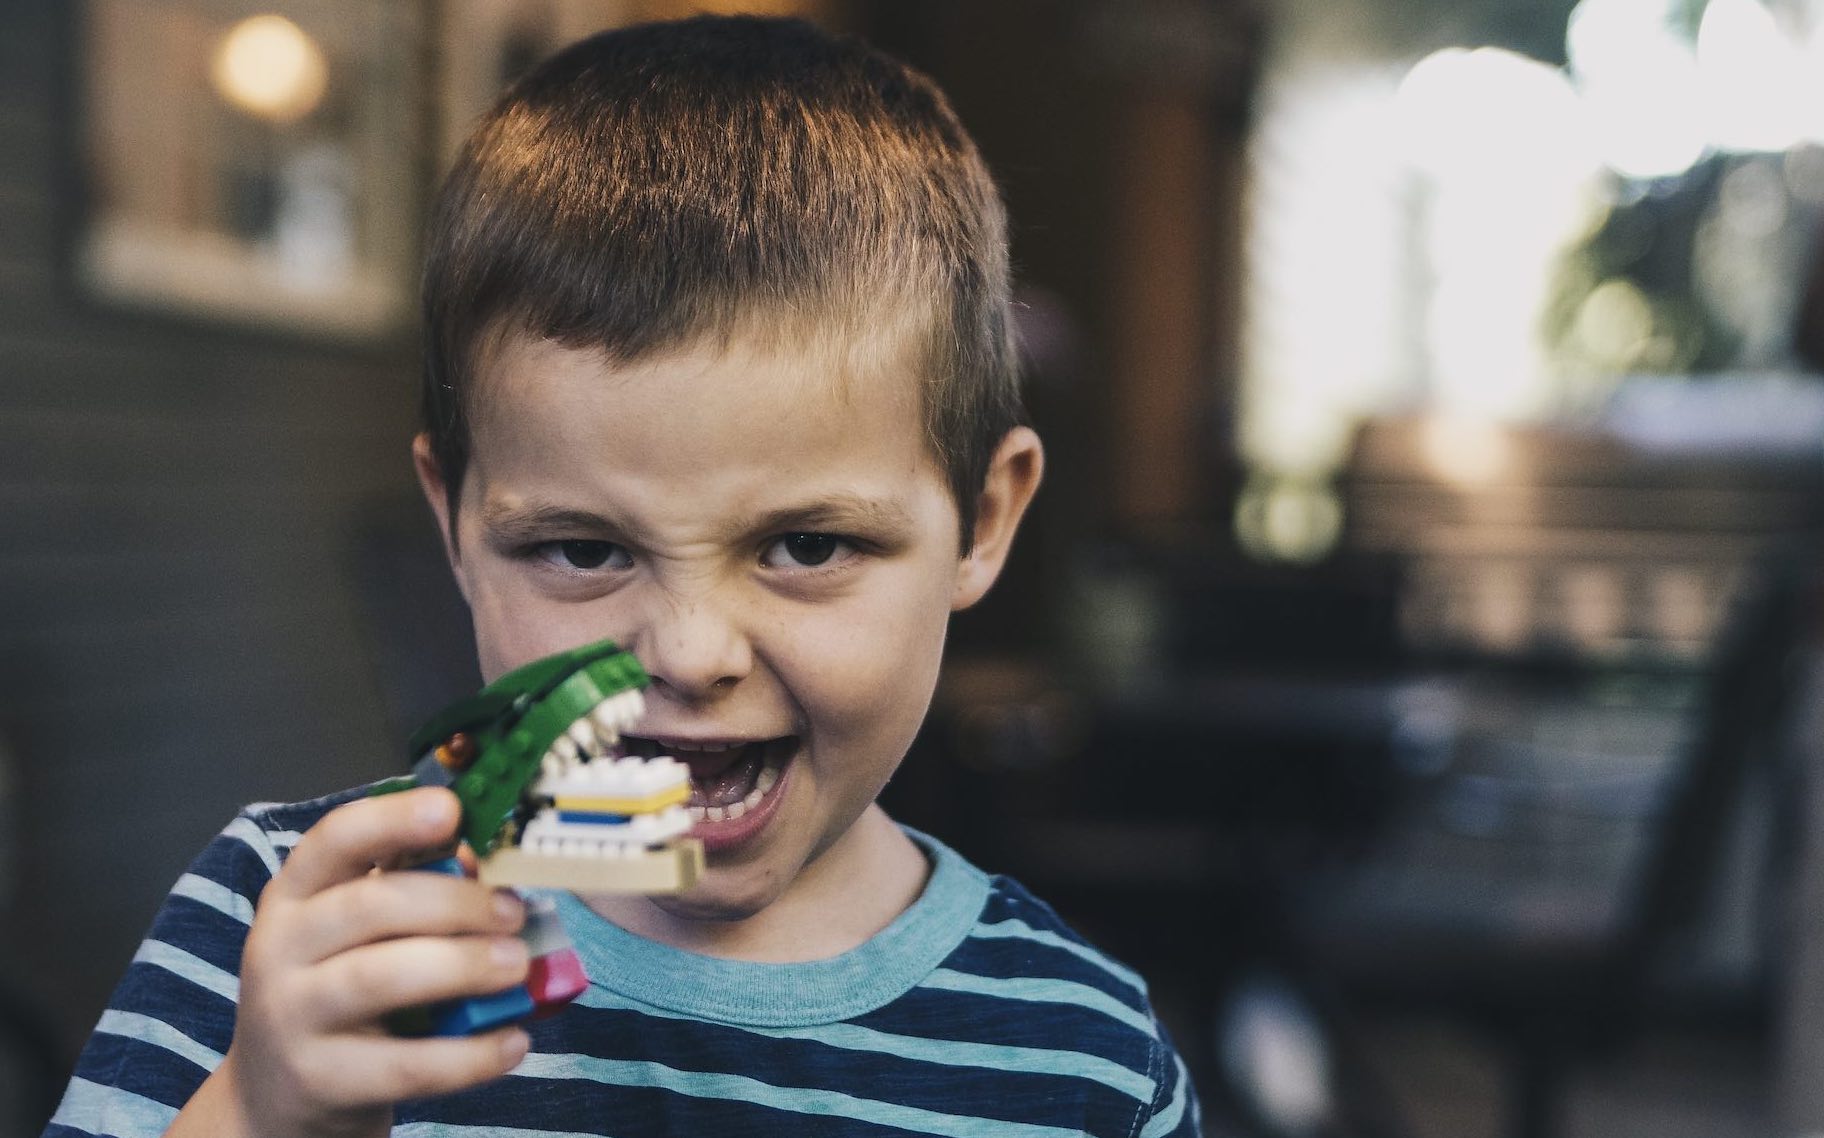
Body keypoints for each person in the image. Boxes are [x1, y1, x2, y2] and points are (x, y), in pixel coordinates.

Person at [45, 15, 1203, 1138]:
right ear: (453, 521)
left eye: (806, 545)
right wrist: (259, 1111)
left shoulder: (1084, 1057)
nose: (693, 652)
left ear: (982, 522)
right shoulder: (289, 937)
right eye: (585, 550)